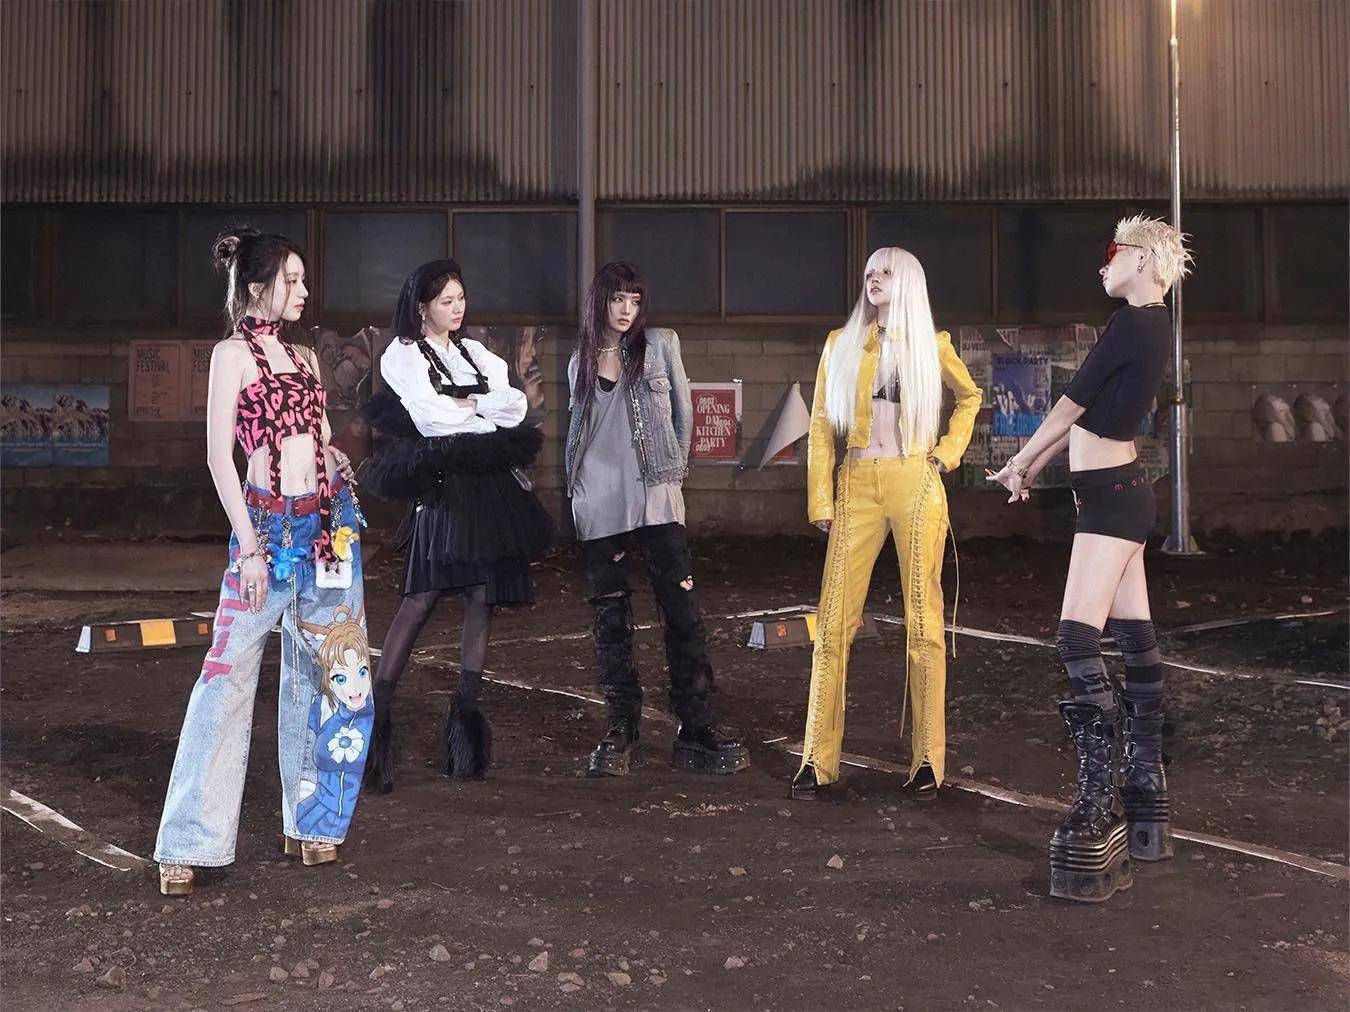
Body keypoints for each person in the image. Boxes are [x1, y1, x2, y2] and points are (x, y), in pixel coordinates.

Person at [155, 227, 369, 896]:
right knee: (224, 680)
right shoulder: (230, 356)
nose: (303, 291)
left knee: (332, 671)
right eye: (291, 280)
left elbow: (317, 438)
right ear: (256, 287)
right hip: (266, 534)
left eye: (303, 280)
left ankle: (312, 822)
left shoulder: (305, 358)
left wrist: (334, 461)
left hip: (327, 529)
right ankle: (189, 841)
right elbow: (219, 458)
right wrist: (248, 547)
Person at [988, 213, 1192, 903]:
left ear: (1144, 261)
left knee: (1076, 640)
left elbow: (1068, 406)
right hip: (1120, 494)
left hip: (1112, 503)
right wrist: (1025, 466)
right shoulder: (1150, 324)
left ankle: (1098, 802)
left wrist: (1020, 459)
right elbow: (1079, 411)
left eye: (1114, 252)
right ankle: (1146, 793)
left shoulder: (1132, 323)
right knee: (1134, 639)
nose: (1103, 263)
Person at [790, 247, 981, 802]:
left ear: (909, 282)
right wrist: (820, 501)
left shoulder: (933, 345)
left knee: (924, 622)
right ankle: (816, 759)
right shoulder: (840, 344)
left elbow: (970, 398)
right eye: (869, 272)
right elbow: (821, 423)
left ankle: (928, 761)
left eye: (886, 272)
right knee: (832, 623)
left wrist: (946, 455)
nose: (874, 279)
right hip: (856, 484)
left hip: (915, 481)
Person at [361, 259, 553, 792]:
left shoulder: (476, 352)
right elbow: (429, 418)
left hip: (486, 487)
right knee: (421, 596)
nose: (457, 308)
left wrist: (469, 405)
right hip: (443, 483)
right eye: (446, 301)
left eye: (461, 299)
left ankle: (465, 733)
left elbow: (515, 405)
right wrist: (475, 410)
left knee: (481, 597)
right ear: (422, 307)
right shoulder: (401, 355)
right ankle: (376, 723)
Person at [565, 261, 748, 777]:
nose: (626, 310)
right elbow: (578, 432)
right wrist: (576, 496)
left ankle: (697, 730)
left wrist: (672, 477)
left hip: (657, 495)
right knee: (611, 621)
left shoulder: (662, 345)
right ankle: (621, 731)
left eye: (635, 300)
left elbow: (683, 416)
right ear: (600, 301)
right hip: (599, 501)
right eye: (617, 299)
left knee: (683, 612)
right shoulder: (580, 360)